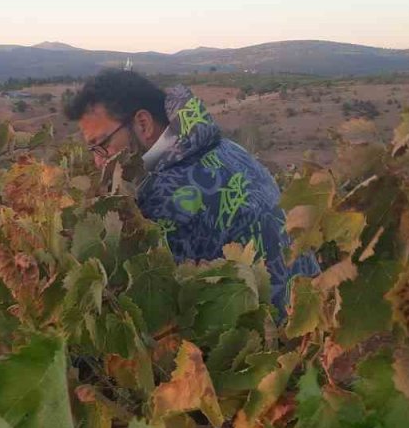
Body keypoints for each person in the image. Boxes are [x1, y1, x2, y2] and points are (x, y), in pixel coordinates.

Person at [66, 69, 319, 312]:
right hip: (313, 317)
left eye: (101, 145)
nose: (98, 162)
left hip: (272, 341)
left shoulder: (163, 196)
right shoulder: (227, 148)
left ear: (143, 124)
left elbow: (160, 308)